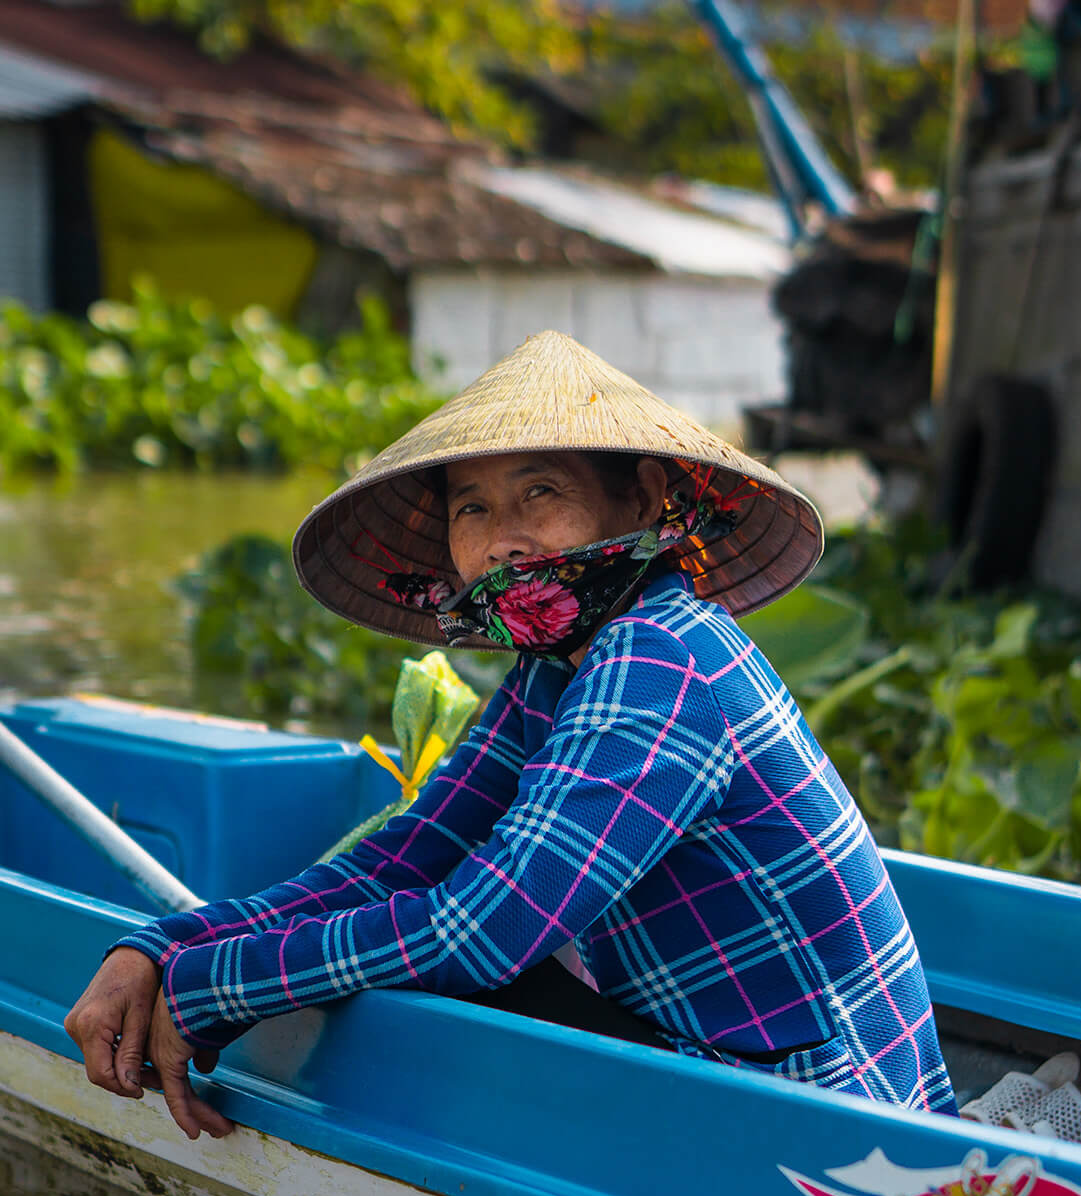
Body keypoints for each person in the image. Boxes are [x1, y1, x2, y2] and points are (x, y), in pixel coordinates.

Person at [65, 331, 957, 1138]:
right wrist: (166, 943)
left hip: (836, 1122)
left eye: (542, 491)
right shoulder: (562, 664)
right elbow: (402, 858)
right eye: (473, 508)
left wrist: (218, 985)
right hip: (747, 1073)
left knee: (457, 966)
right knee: (398, 938)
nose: (503, 541)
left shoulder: (657, 658)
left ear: (639, 499)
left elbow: (480, 930)